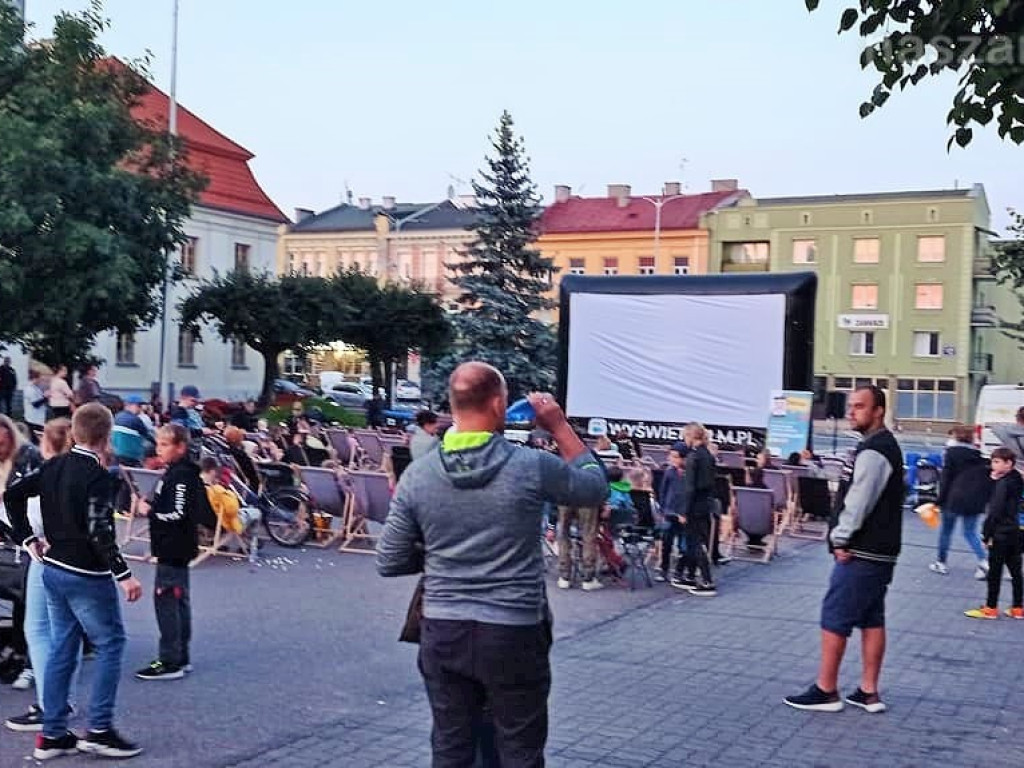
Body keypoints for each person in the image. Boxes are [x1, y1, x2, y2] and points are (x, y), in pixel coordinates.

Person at [376, 362, 607, 767]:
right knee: (520, 749)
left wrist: (444, 554)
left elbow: (390, 560)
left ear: (452, 404)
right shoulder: (531, 466)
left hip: (444, 629)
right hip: (514, 631)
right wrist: (558, 426)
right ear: (499, 403)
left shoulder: (419, 474)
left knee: (451, 748)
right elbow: (594, 486)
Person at [3, 403, 143, 759]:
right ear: (106, 436)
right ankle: (98, 728)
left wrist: (26, 538)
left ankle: (52, 734)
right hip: (86, 573)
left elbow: (12, 495)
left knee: (63, 647)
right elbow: (100, 529)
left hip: (52, 568)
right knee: (110, 643)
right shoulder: (100, 476)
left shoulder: (54, 466)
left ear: (77, 432)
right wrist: (123, 574)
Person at [784, 385, 903, 715]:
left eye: (860, 406)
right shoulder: (876, 447)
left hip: (862, 551)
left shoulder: (875, 451)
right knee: (871, 617)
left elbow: (859, 500)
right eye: (850, 406)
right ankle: (868, 692)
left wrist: (841, 539)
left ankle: (826, 689)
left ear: (878, 410)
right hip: (879, 551)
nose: (852, 411)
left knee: (835, 616)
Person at [4, 419, 76, 733]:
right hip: (74, 558)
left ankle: (52, 705)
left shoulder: (48, 473)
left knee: (40, 630)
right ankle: (61, 701)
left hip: (45, 556)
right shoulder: (80, 470)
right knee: (63, 632)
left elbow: (25, 513)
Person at [134, 424, 216, 681]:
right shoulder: (172, 472)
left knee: (168, 601)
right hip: (171, 545)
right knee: (177, 599)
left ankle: (171, 660)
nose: (159, 450)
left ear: (180, 447)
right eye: (158, 444)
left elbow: (178, 513)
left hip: (174, 546)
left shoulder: (182, 475)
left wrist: (150, 512)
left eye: (165, 445)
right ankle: (180, 655)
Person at [965, 447, 1024, 620]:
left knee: (995, 572)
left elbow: (995, 511)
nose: (993, 465)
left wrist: (986, 534)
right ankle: (1018, 608)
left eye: (997, 462)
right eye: (993, 461)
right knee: (1015, 571)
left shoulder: (1003, 484)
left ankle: (991, 608)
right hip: (1016, 532)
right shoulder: (1017, 480)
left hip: (1000, 533)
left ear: (1009, 463)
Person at [929, 425, 992, 578]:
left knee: (946, 532)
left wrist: (938, 500)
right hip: (975, 500)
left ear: (955, 437)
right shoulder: (979, 456)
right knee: (970, 532)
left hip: (953, 498)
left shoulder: (951, 454)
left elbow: (946, 479)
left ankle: (941, 563)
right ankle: (984, 561)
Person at [671, 423, 717, 596]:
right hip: (705, 504)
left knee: (695, 543)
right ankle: (690, 576)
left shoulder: (693, 458)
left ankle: (706, 580)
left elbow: (689, 487)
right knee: (697, 541)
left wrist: (683, 511)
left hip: (693, 505)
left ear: (690, 436)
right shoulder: (709, 456)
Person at [656, 442, 687, 582]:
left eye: (676, 457)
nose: (672, 459)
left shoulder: (688, 474)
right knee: (667, 542)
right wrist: (662, 509)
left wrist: (684, 513)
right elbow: (663, 491)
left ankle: (679, 571)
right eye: (671, 456)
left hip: (683, 515)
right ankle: (664, 569)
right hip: (669, 512)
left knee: (683, 545)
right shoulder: (669, 472)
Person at [23, 369, 48, 440]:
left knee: (38, 440)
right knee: (36, 440)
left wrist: (45, 397)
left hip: (38, 419)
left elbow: (40, 399)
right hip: (33, 420)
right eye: (40, 378)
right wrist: (46, 397)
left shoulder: (36, 388)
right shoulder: (30, 389)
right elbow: (35, 404)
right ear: (35, 378)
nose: (41, 380)